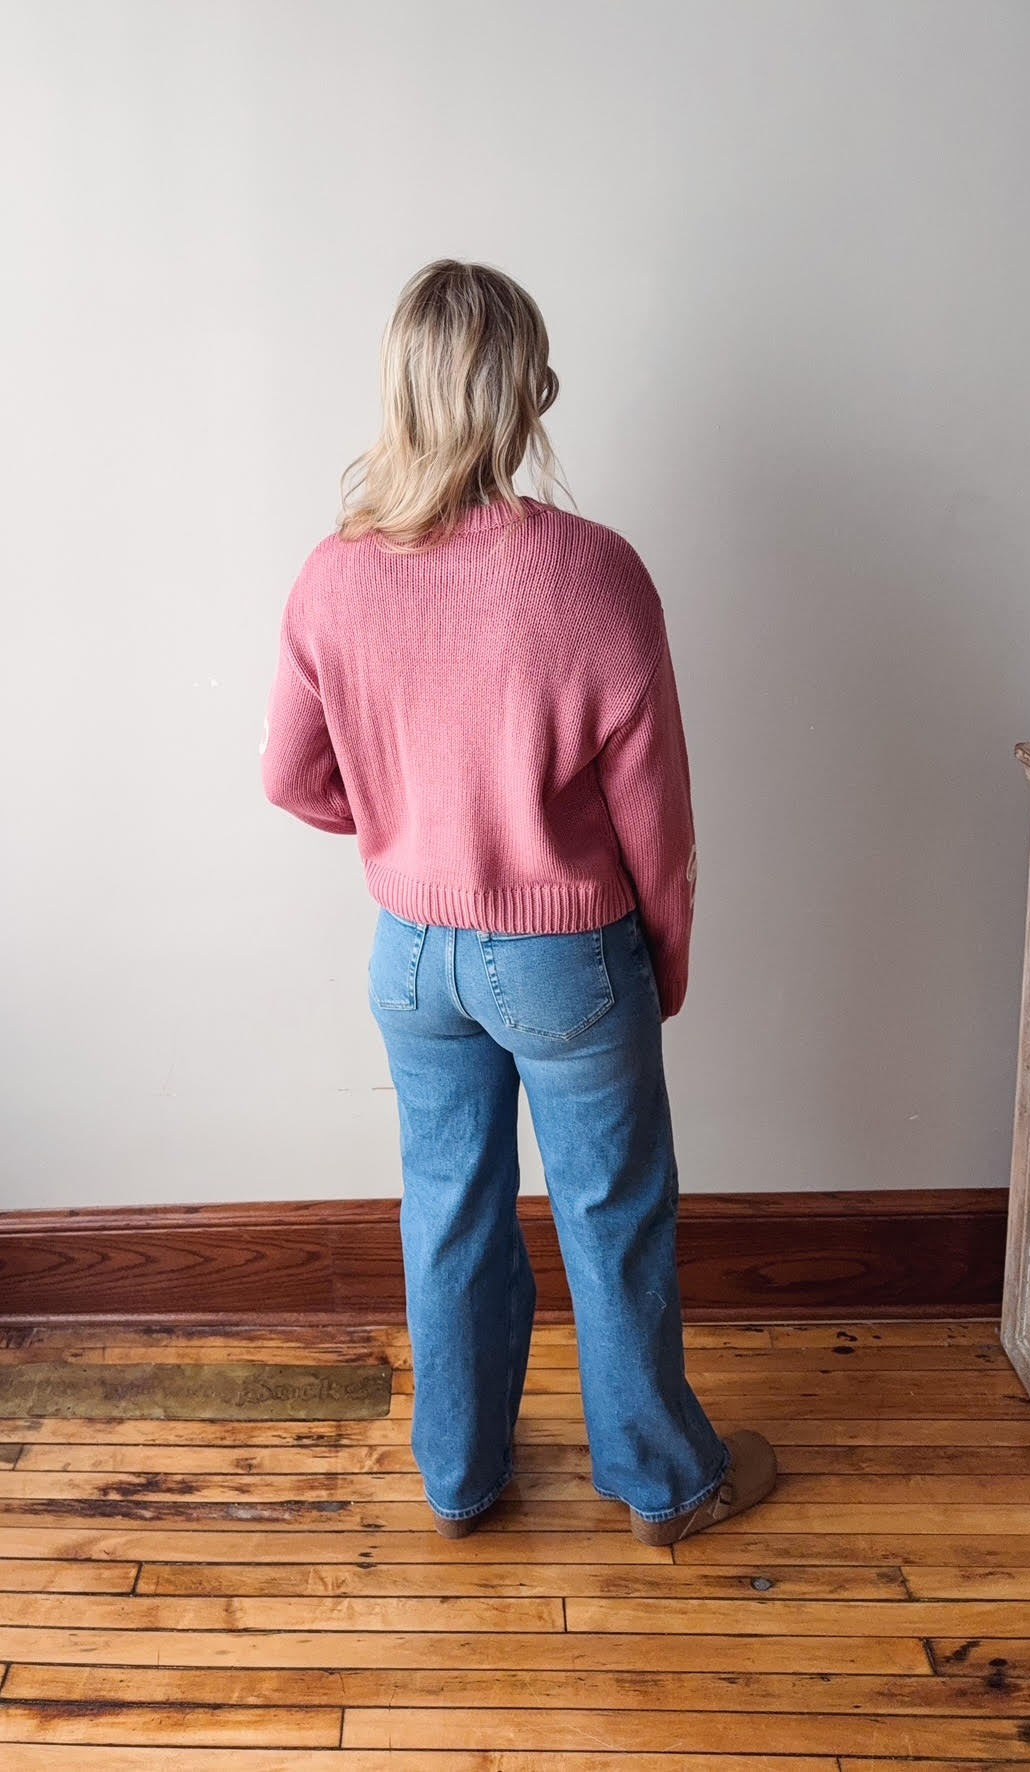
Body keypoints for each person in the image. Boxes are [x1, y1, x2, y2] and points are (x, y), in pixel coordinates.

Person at [260, 258, 776, 1545]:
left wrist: (407, 839)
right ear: (522, 390)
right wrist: (666, 953)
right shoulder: (596, 573)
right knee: (611, 1212)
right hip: (565, 955)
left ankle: (459, 1478)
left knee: (446, 1206)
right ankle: (664, 1483)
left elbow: (291, 776)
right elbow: (657, 816)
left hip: (410, 954)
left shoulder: (332, 575)